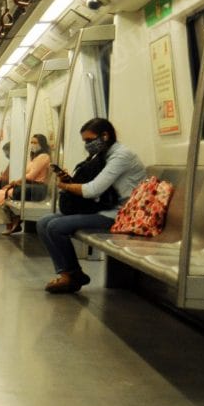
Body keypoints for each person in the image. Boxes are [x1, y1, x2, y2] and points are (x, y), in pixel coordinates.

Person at [35, 118, 147, 294]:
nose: (87, 145)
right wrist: (71, 182)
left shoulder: (121, 156)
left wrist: (65, 186)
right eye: (85, 141)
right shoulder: (103, 155)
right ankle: (70, 274)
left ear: (105, 136)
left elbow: (92, 190)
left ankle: (71, 275)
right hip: (101, 207)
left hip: (118, 214)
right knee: (43, 222)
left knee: (56, 226)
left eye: (89, 140)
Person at [0, 133, 52, 235]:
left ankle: (13, 222)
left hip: (37, 188)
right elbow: (26, 175)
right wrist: (16, 182)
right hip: (31, 185)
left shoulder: (44, 156)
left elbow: (31, 176)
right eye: (31, 142)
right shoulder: (34, 158)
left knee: (12, 192)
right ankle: (13, 222)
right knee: (8, 193)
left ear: (42, 144)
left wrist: (16, 182)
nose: (32, 144)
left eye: (35, 142)